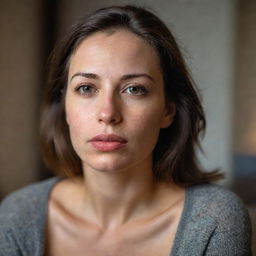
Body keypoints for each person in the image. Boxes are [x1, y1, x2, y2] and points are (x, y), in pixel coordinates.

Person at [0, 5, 251, 256]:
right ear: (65, 106)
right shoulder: (18, 215)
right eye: (87, 88)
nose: (108, 113)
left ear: (168, 111)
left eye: (134, 89)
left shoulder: (215, 220)